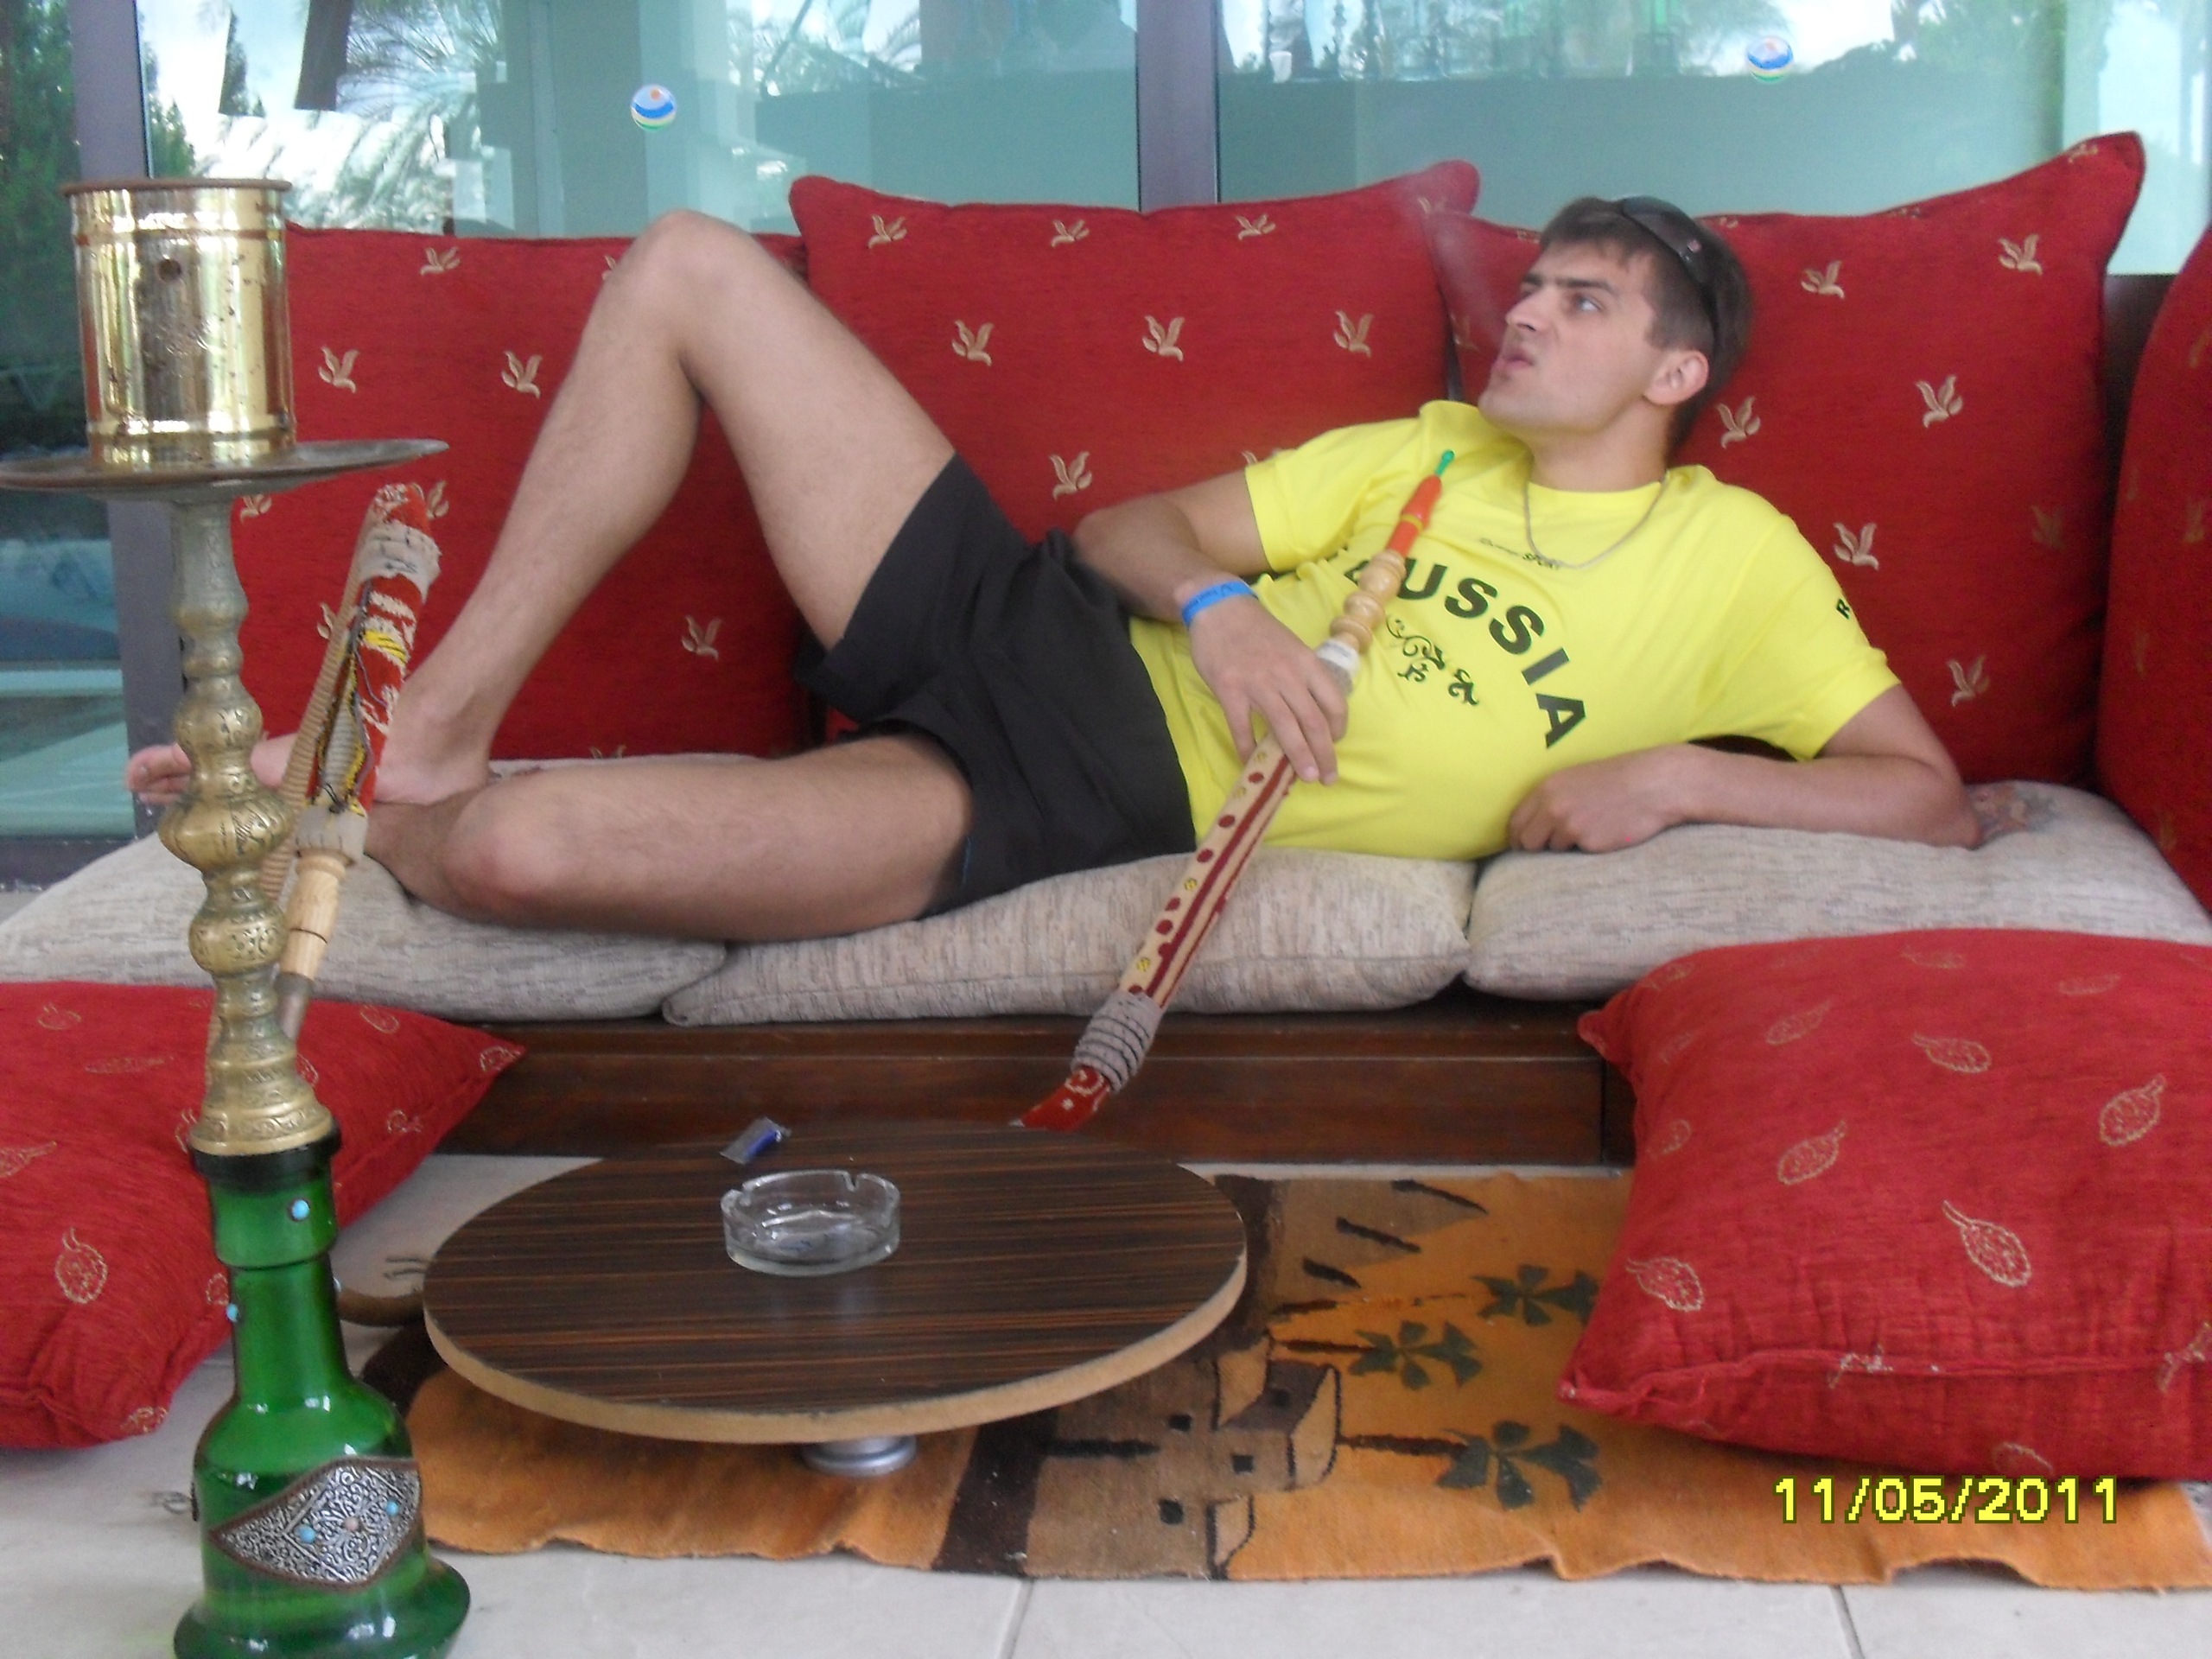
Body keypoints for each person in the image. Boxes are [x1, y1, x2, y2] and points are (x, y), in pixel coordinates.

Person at [127, 194, 1978, 943]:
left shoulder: (1730, 559)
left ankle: (358, 824)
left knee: (525, 855)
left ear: (1674, 376)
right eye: (1535, 285)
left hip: (1065, 787)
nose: (1528, 314)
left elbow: (1926, 798)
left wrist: (1672, 779)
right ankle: (421, 731)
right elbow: (1125, 533)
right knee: (687, 258)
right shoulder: (1422, 448)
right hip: (1019, 612)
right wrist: (1225, 611)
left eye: (1582, 304)